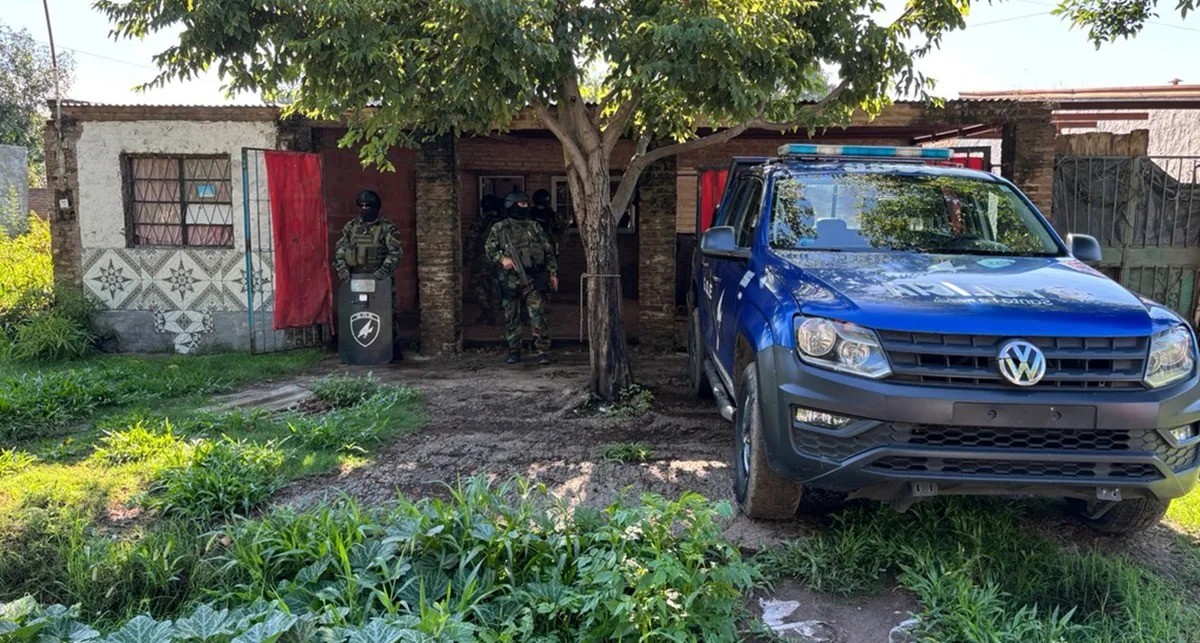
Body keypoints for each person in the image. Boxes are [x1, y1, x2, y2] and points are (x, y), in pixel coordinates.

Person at [485, 191, 559, 365]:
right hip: (510, 280)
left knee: (538, 315)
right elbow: (489, 249)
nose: (526, 207)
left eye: (527, 204)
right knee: (512, 316)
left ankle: (542, 351)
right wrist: (503, 259)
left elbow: (549, 251)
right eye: (522, 204)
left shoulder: (535, 227)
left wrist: (553, 273)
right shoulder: (500, 228)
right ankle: (514, 350)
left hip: (533, 278)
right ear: (512, 205)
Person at [333, 189, 404, 356]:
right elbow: (340, 249)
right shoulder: (351, 227)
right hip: (356, 277)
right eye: (362, 206)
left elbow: (395, 252)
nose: (365, 209)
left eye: (368, 206)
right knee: (357, 313)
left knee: (387, 313)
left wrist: (383, 270)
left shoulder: (387, 228)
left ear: (376, 208)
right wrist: (342, 268)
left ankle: (391, 348)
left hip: (380, 278)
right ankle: (358, 349)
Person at [464, 195, 505, 325]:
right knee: (495, 284)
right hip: (499, 258)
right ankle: (493, 311)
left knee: (476, 283)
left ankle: (486, 309)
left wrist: (467, 256)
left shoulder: (480, 220)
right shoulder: (502, 222)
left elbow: (471, 239)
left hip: (482, 256)